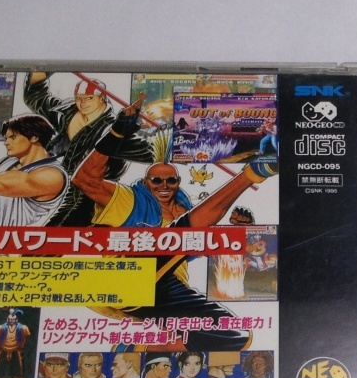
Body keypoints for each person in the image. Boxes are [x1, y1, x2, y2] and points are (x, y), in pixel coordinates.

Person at [72, 94, 278, 351]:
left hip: (167, 289)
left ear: (178, 183)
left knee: (237, 335)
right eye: (156, 181)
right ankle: (254, 173)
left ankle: (141, 347)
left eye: (171, 180)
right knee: (181, 232)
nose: (164, 185)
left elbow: (201, 246)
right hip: (126, 276)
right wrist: (117, 132)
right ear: (146, 183)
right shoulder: (128, 198)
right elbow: (84, 180)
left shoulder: (184, 210)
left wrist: (237, 232)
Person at [22, 72, 153, 226]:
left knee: (63, 232)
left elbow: (151, 152)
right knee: (48, 234)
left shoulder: (114, 128)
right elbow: (35, 97)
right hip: (64, 189)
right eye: (79, 98)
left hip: (92, 196)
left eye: (89, 98)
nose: (82, 103)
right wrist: (41, 72)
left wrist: (159, 132)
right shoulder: (66, 113)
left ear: (102, 98)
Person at [0, 114, 67, 226]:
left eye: (13, 137)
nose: (6, 142)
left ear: (34, 137)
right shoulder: (8, 162)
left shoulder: (52, 175)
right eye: (6, 138)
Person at [0, 308, 31, 378]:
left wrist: (21, 346)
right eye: (10, 319)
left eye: (13, 319)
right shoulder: (1, 327)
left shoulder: (22, 327)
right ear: (7, 319)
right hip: (3, 347)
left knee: (20, 364)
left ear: (16, 320)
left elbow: (25, 337)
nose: (12, 321)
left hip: (16, 348)